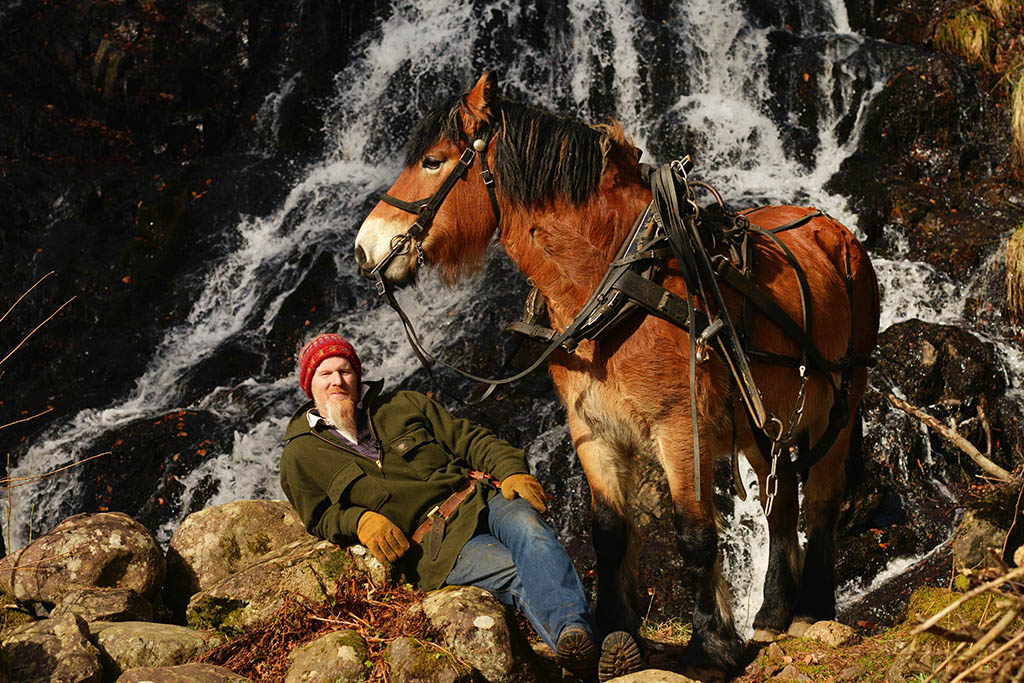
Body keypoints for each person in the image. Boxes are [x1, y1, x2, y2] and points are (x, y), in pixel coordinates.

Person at [279, 333, 632, 680]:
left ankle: (579, 649)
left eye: (345, 371)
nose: (337, 381)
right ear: (310, 384)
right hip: (435, 547)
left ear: (357, 376)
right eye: (326, 374)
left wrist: (510, 472)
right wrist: (358, 521)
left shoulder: (403, 405)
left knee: (533, 534)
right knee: (516, 571)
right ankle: (587, 650)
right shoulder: (300, 455)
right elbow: (319, 516)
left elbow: (470, 439)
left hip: (481, 499)